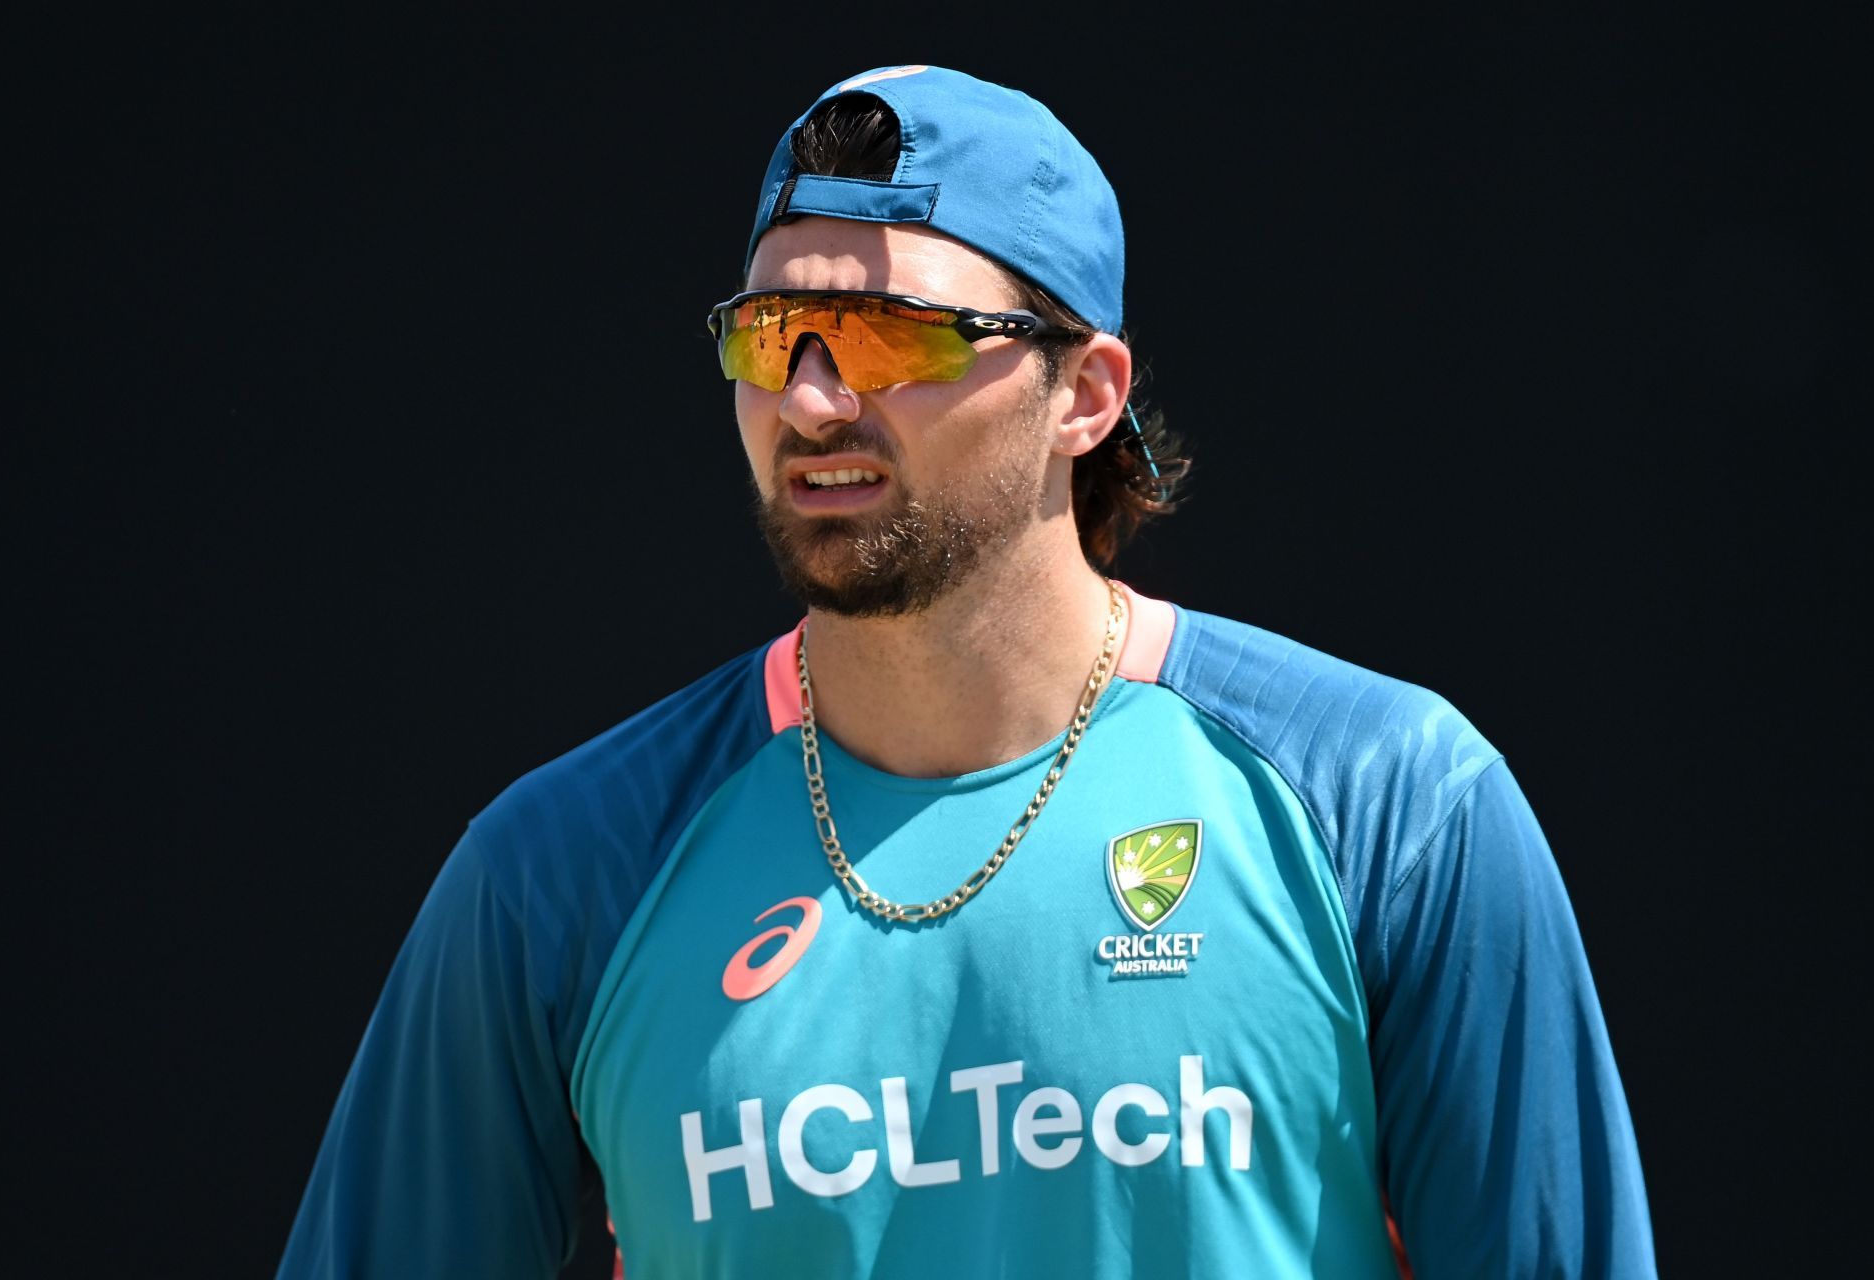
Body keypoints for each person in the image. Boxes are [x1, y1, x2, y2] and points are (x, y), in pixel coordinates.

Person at [279, 65, 1657, 1279]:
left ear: (1087, 394)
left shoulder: (1392, 804)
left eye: (889, 337)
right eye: (771, 338)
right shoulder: (562, 865)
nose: (812, 401)